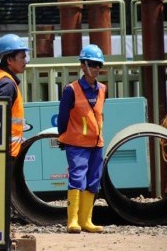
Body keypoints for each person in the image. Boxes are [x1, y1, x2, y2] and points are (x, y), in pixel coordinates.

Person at [57, 44, 106, 234]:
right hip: (77, 143)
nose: (96, 68)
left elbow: (98, 115)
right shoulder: (71, 90)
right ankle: (73, 221)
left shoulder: (102, 89)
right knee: (77, 178)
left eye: (99, 65)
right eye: (93, 64)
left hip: (96, 143)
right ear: (83, 66)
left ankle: (87, 220)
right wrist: (63, 137)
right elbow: (62, 117)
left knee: (93, 180)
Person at [0, 33, 29, 159]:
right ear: (9, 60)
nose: (26, 61)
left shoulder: (0, 79)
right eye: (22, 57)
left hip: (2, 150)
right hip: (5, 153)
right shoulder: (6, 84)